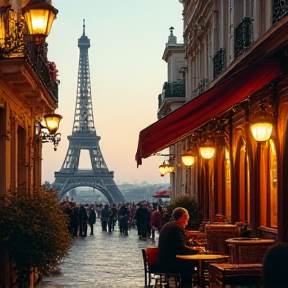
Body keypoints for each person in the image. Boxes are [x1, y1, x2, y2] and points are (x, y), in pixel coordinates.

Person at [158, 207, 199, 288]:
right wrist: (196, 251)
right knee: (191, 265)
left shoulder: (171, 226)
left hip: (165, 259)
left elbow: (180, 243)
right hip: (169, 262)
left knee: (191, 264)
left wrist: (191, 245)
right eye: (187, 218)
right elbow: (182, 249)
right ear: (182, 217)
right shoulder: (175, 228)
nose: (187, 221)